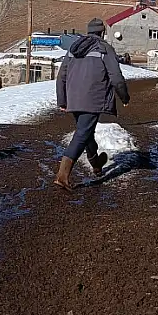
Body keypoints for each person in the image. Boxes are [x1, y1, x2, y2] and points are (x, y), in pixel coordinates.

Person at [54, 18, 130, 190]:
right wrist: (124, 97)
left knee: (86, 130)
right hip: (93, 98)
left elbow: (61, 75)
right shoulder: (104, 48)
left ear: (88, 31)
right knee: (82, 133)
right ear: (102, 32)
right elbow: (116, 77)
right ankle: (63, 175)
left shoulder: (74, 48)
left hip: (73, 97)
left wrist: (62, 99)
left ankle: (96, 162)